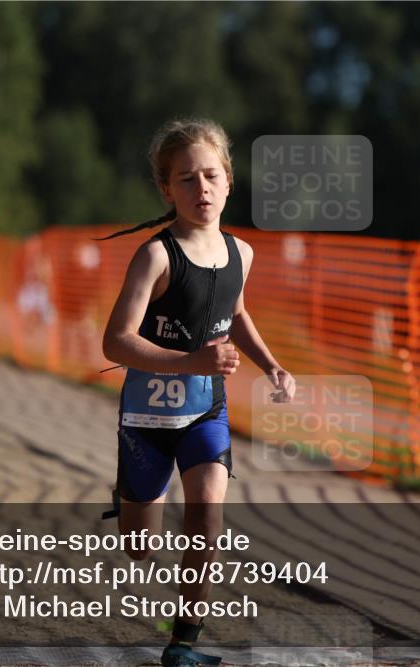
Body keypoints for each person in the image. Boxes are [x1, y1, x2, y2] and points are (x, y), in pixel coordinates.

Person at [100, 118, 296, 667]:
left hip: (205, 410)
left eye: (211, 175)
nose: (201, 188)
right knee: (141, 547)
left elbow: (234, 313)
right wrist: (191, 360)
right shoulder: (156, 256)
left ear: (229, 181)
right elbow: (115, 342)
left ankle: (183, 645)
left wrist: (273, 365)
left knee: (208, 513)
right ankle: (130, 498)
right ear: (167, 190)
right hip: (146, 419)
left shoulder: (242, 254)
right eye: (186, 179)